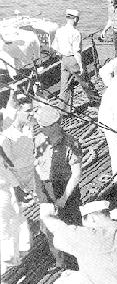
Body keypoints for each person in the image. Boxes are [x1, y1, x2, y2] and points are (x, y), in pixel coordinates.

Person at [33, 104, 82, 269]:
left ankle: (77, 261)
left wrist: (64, 197)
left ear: (55, 125)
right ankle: (61, 262)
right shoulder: (39, 140)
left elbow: (76, 173)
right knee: (48, 227)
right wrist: (40, 193)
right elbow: (36, 165)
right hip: (46, 187)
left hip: (66, 187)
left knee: (72, 224)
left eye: (45, 127)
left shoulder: (71, 143)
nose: (42, 130)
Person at [52, 9, 100, 113]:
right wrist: (81, 66)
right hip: (73, 60)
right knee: (85, 81)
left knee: (64, 86)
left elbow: (55, 47)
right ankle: (96, 102)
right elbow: (77, 51)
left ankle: (63, 109)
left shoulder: (59, 30)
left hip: (64, 60)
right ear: (75, 19)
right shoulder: (76, 33)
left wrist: (62, 58)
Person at [0, 96, 35, 193]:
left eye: (32, 110)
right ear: (18, 111)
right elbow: (6, 168)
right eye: (28, 110)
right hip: (22, 183)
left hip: (35, 174)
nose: (31, 113)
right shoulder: (6, 136)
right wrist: (19, 188)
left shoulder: (29, 127)